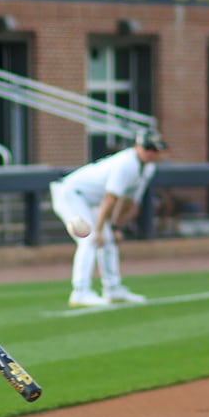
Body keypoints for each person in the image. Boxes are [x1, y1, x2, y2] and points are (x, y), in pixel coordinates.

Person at [48, 128, 167, 307]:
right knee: (89, 240)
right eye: (149, 149)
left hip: (90, 201)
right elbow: (110, 199)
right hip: (70, 194)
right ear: (139, 147)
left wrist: (115, 228)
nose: (152, 153)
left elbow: (130, 202)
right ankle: (80, 291)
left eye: (155, 150)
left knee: (109, 240)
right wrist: (98, 230)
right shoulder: (126, 163)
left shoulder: (148, 169)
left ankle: (112, 288)